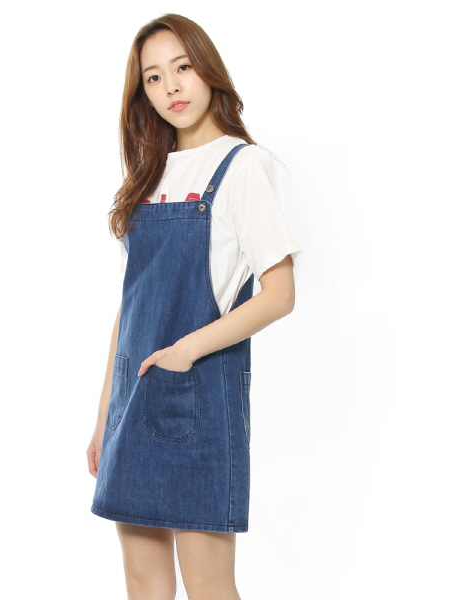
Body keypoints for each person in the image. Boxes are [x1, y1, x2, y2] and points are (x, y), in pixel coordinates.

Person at [86, 13, 302, 600]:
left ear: (208, 69)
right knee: (143, 585)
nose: (171, 87)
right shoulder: (147, 175)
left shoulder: (242, 165)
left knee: (209, 588)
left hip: (198, 401)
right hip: (133, 398)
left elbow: (280, 293)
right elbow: (131, 305)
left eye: (182, 67)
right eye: (153, 78)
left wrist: (186, 350)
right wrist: (105, 413)